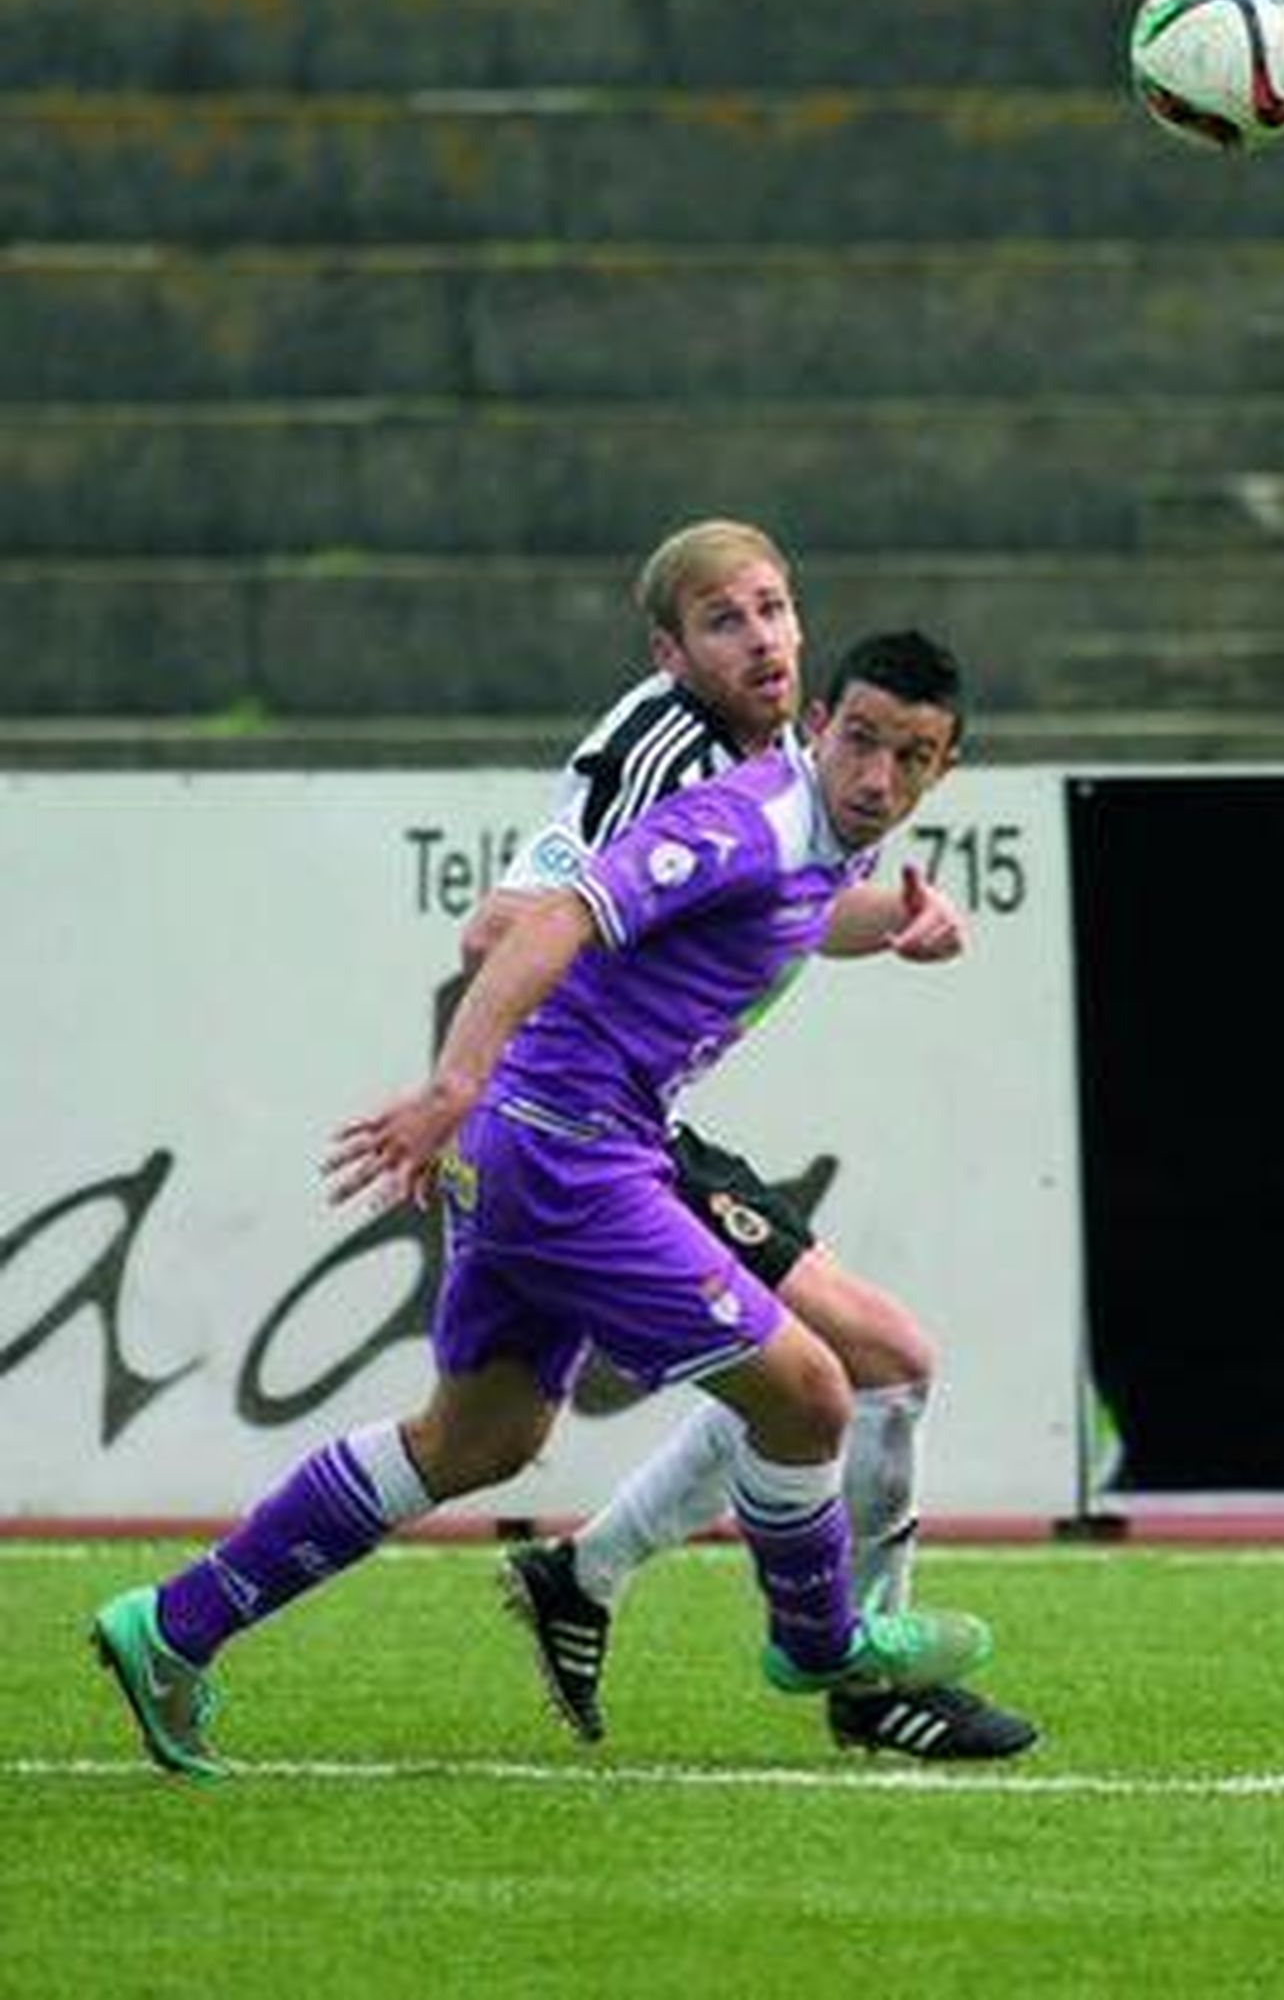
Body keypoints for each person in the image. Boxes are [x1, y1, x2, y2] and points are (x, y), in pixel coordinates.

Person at [90, 630, 994, 1784]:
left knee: (477, 1440)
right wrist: (448, 1086)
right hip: (570, 1155)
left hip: (546, 1148)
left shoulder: (814, 837)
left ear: (942, 771)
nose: (878, 777)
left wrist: (904, 924)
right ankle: (818, 1649)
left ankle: (171, 1628)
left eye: (910, 758)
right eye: (860, 740)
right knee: (813, 1391)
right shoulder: (743, 819)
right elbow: (557, 918)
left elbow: (805, 911)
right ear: (818, 722)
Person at [469, 521, 1037, 1762]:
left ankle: (592, 1578)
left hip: (640, 1116)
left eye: (775, 608)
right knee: (857, 1367)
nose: (763, 637)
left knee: (842, 1369)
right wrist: (474, 1075)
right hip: (585, 1117)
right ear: (672, 648)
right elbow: (509, 922)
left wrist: (886, 920)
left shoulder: (792, 749)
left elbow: (782, 905)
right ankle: (852, 1671)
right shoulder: (664, 746)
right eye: (728, 619)